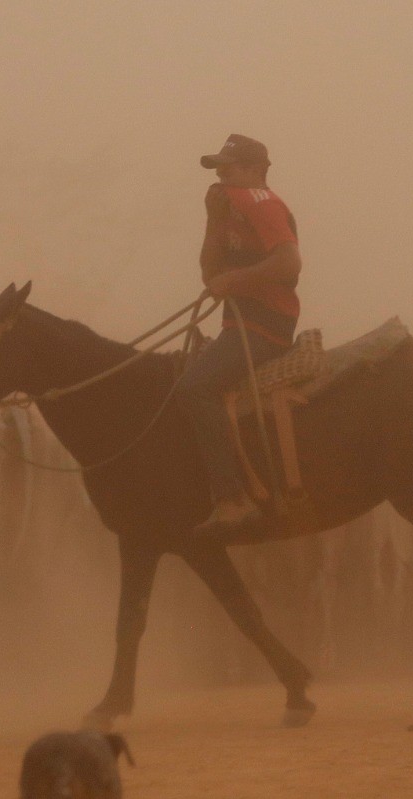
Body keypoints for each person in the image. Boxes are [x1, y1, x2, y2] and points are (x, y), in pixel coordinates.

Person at [177, 133, 303, 537]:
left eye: (229, 168)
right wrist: (213, 220)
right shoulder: (230, 209)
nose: (222, 175)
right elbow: (210, 276)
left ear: (256, 171)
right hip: (238, 323)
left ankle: (232, 499)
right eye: (219, 168)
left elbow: (289, 262)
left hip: (265, 324)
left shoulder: (262, 204)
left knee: (195, 387)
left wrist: (237, 279)